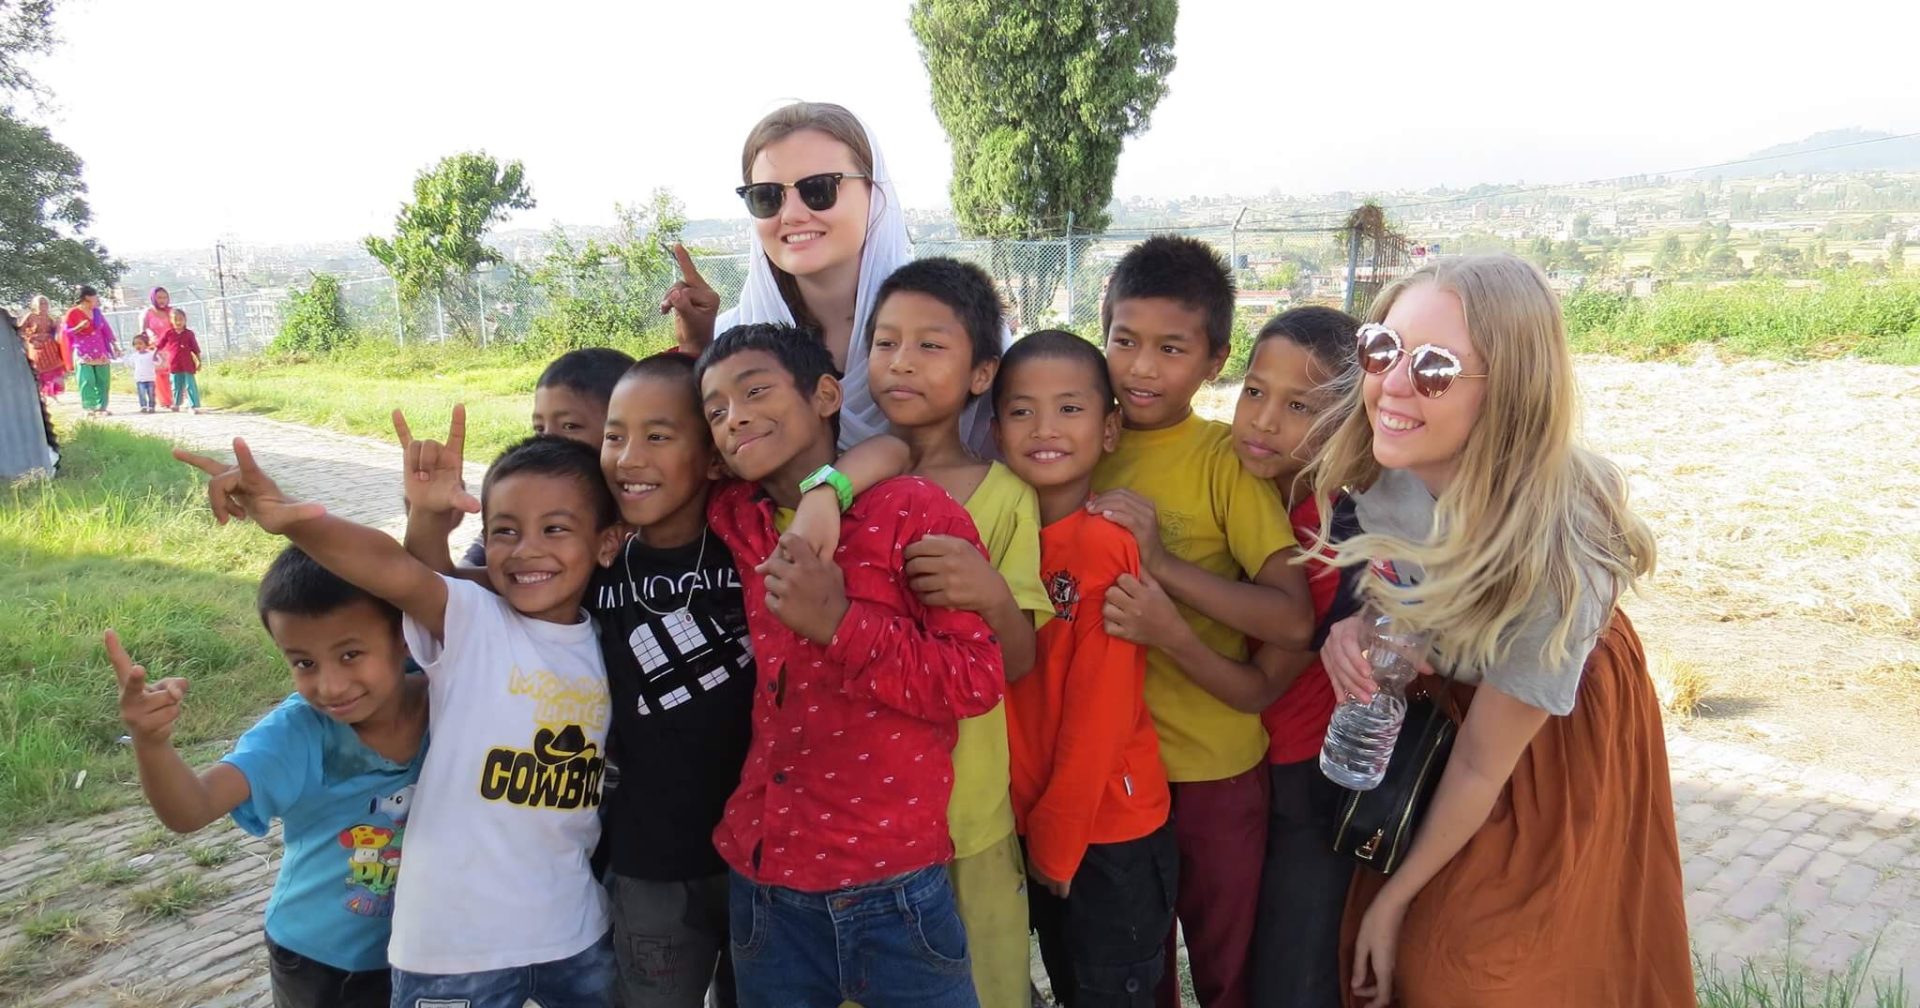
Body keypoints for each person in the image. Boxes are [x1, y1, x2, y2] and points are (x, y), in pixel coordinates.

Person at [397, 356, 907, 1008]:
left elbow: (893, 448)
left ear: (714, 457)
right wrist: (428, 524)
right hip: (649, 866)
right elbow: (456, 596)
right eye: (614, 436)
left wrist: (823, 493)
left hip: (765, 856)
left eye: (658, 436)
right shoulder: (599, 554)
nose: (630, 457)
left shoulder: (750, 532)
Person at [1304, 255, 1686, 1007]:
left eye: (1436, 367)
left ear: (1510, 390)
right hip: (1452, 708)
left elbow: (1484, 764)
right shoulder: (1389, 459)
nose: (1394, 384)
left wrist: (1395, 901)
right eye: (1382, 347)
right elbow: (1398, 580)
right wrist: (1365, 623)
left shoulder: (1560, 555)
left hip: (1548, 738)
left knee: (1481, 975)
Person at [177, 435, 626, 1008]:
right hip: (452, 953)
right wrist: (292, 518)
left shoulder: (603, 638)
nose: (526, 550)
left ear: (607, 542)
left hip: (575, 932)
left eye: (554, 529)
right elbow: (391, 568)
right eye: (505, 531)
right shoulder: (475, 621)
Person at [696, 323, 1005, 1008]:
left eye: (755, 392)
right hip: (766, 881)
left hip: (895, 887)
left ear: (827, 395)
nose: (735, 416)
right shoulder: (734, 519)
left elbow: (975, 679)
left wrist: (841, 624)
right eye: (716, 411)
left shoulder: (911, 510)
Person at [1103, 307, 1363, 1008]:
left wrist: (1165, 595)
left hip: (1296, 775)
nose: (1263, 421)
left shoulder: (1326, 540)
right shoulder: (1243, 481)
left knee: (1273, 969)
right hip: (1223, 761)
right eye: (1255, 392)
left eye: (1298, 406)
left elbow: (1259, 687)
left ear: (1344, 419)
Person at [1081, 236, 1313, 1008]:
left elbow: (1291, 617)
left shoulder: (1222, 461)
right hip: (1113, 773)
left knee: (1226, 966)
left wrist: (1162, 570)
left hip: (1213, 768)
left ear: (1215, 361)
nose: (1142, 368)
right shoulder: (1077, 442)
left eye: (1171, 349)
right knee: (1133, 971)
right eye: (1125, 341)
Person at [108, 545, 428, 1008]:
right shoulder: (294, 735)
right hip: (322, 963)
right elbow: (192, 809)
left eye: (350, 654)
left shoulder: (450, 698)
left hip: (425, 953)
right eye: (304, 663)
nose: (330, 686)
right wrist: (151, 742)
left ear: (404, 637)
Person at [867, 258, 1048, 1008]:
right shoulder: (839, 487)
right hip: (863, 812)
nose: (901, 361)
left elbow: (1020, 660)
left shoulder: (1005, 498)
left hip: (967, 810)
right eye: (885, 342)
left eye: (930, 345)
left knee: (982, 982)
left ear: (981, 374)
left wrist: (991, 595)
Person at [994, 331, 1177, 1008]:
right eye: (1022, 410)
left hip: (1104, 833)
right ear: (995, 430)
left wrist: (1057, 839)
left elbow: (1100, 712)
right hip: (1040, 824)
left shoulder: (1103, 545)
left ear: (1108, 430)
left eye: (1069, 408)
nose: (1045, 427)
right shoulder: (1003, 537)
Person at [662, 102, 1003, 456]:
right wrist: (695, 352)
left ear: (875, 194)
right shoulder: (726, 340)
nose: (792, 215)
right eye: (767, 196)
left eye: (818, 190)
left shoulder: (967, 329)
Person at [455, 346, 636, 567]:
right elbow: (464, 576)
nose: (547, 441)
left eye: (570, 426)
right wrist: (431, 521)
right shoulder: (523, 510)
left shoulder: (645, 516)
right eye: (539, 429)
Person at [64, 285, 118, 415]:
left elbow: (106, 329)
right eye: (89, 301)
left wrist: (114, 345)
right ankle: (89, 407)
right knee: (87, 380)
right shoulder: (73, 313)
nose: (92, 304)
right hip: (83, 352)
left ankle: (102, 407)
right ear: (82, 300)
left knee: (103, 381)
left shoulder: (97, 312)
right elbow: (66, 331)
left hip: (100, 350)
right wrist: (78, 327)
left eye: (94, 300)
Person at [156, 307, 204, 413]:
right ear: (171, 321)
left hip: (187, 364)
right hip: (174, 364)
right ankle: (176, 404)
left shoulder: (189, 334)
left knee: (190, 384)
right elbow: (159, 345)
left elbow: (195, 348)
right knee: (176, 385)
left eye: (181, 319)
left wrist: (199, 361)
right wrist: (154, 354)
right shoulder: (169, 333)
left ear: (185, 320)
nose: (178, 322)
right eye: (175, 319)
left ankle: (193, 406)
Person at [18, 295, 66, 398]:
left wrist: (58, 324)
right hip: (36, 346)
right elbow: (20, 330)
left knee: (56, 370)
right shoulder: (30, 316)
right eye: (41, 303)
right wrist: (31, 340)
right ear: (35, 305)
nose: (43, 305)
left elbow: (55, 330)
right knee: (40, 371)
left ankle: (52, 393)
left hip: (50, 347)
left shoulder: (49, 318)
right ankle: (42, 394)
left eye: (45, 303)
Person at [144, 287, 175, 410]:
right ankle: (165, 401)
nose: (162, 300)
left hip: (171, 346)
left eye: (165, 297)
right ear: (153, 298)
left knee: (174, 373)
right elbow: (143, 330)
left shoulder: (171, 312)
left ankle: (177, 398)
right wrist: (150, 335)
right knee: (160, 376)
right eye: (159, 297)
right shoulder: (147, 313)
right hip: (156, 347)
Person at [125, 334, 160, 412]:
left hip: (150, 378)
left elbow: (158, 362)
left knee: (151, 393)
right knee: (141, 393)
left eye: (140, 343)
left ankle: (151, 406)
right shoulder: (134, 356)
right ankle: (143, 406)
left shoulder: (151, 354)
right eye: (135, 344)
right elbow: (130, 364)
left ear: (146, 344)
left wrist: (156, 358)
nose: (138, 346)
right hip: (139, 379)